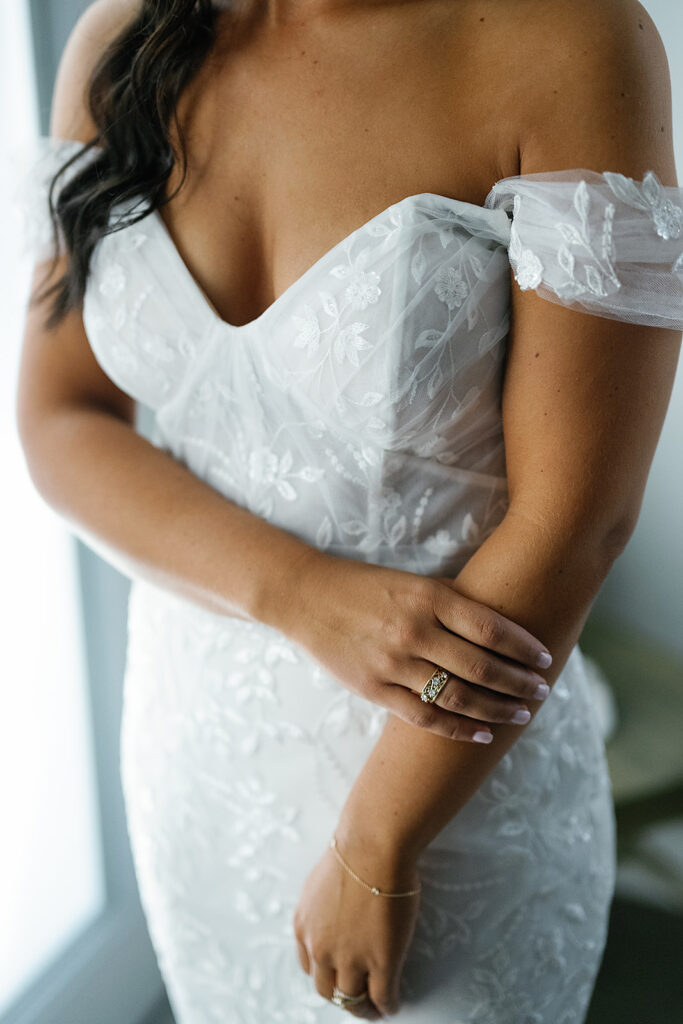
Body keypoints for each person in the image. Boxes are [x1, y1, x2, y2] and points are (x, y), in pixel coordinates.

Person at [12, 0, 683, 1020]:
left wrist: (377, 845)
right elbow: (62, 416)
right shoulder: (122, 39)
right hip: (198, 752)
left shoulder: (569, 40)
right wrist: (297, 594)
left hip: (443, 782)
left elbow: (576, 519)